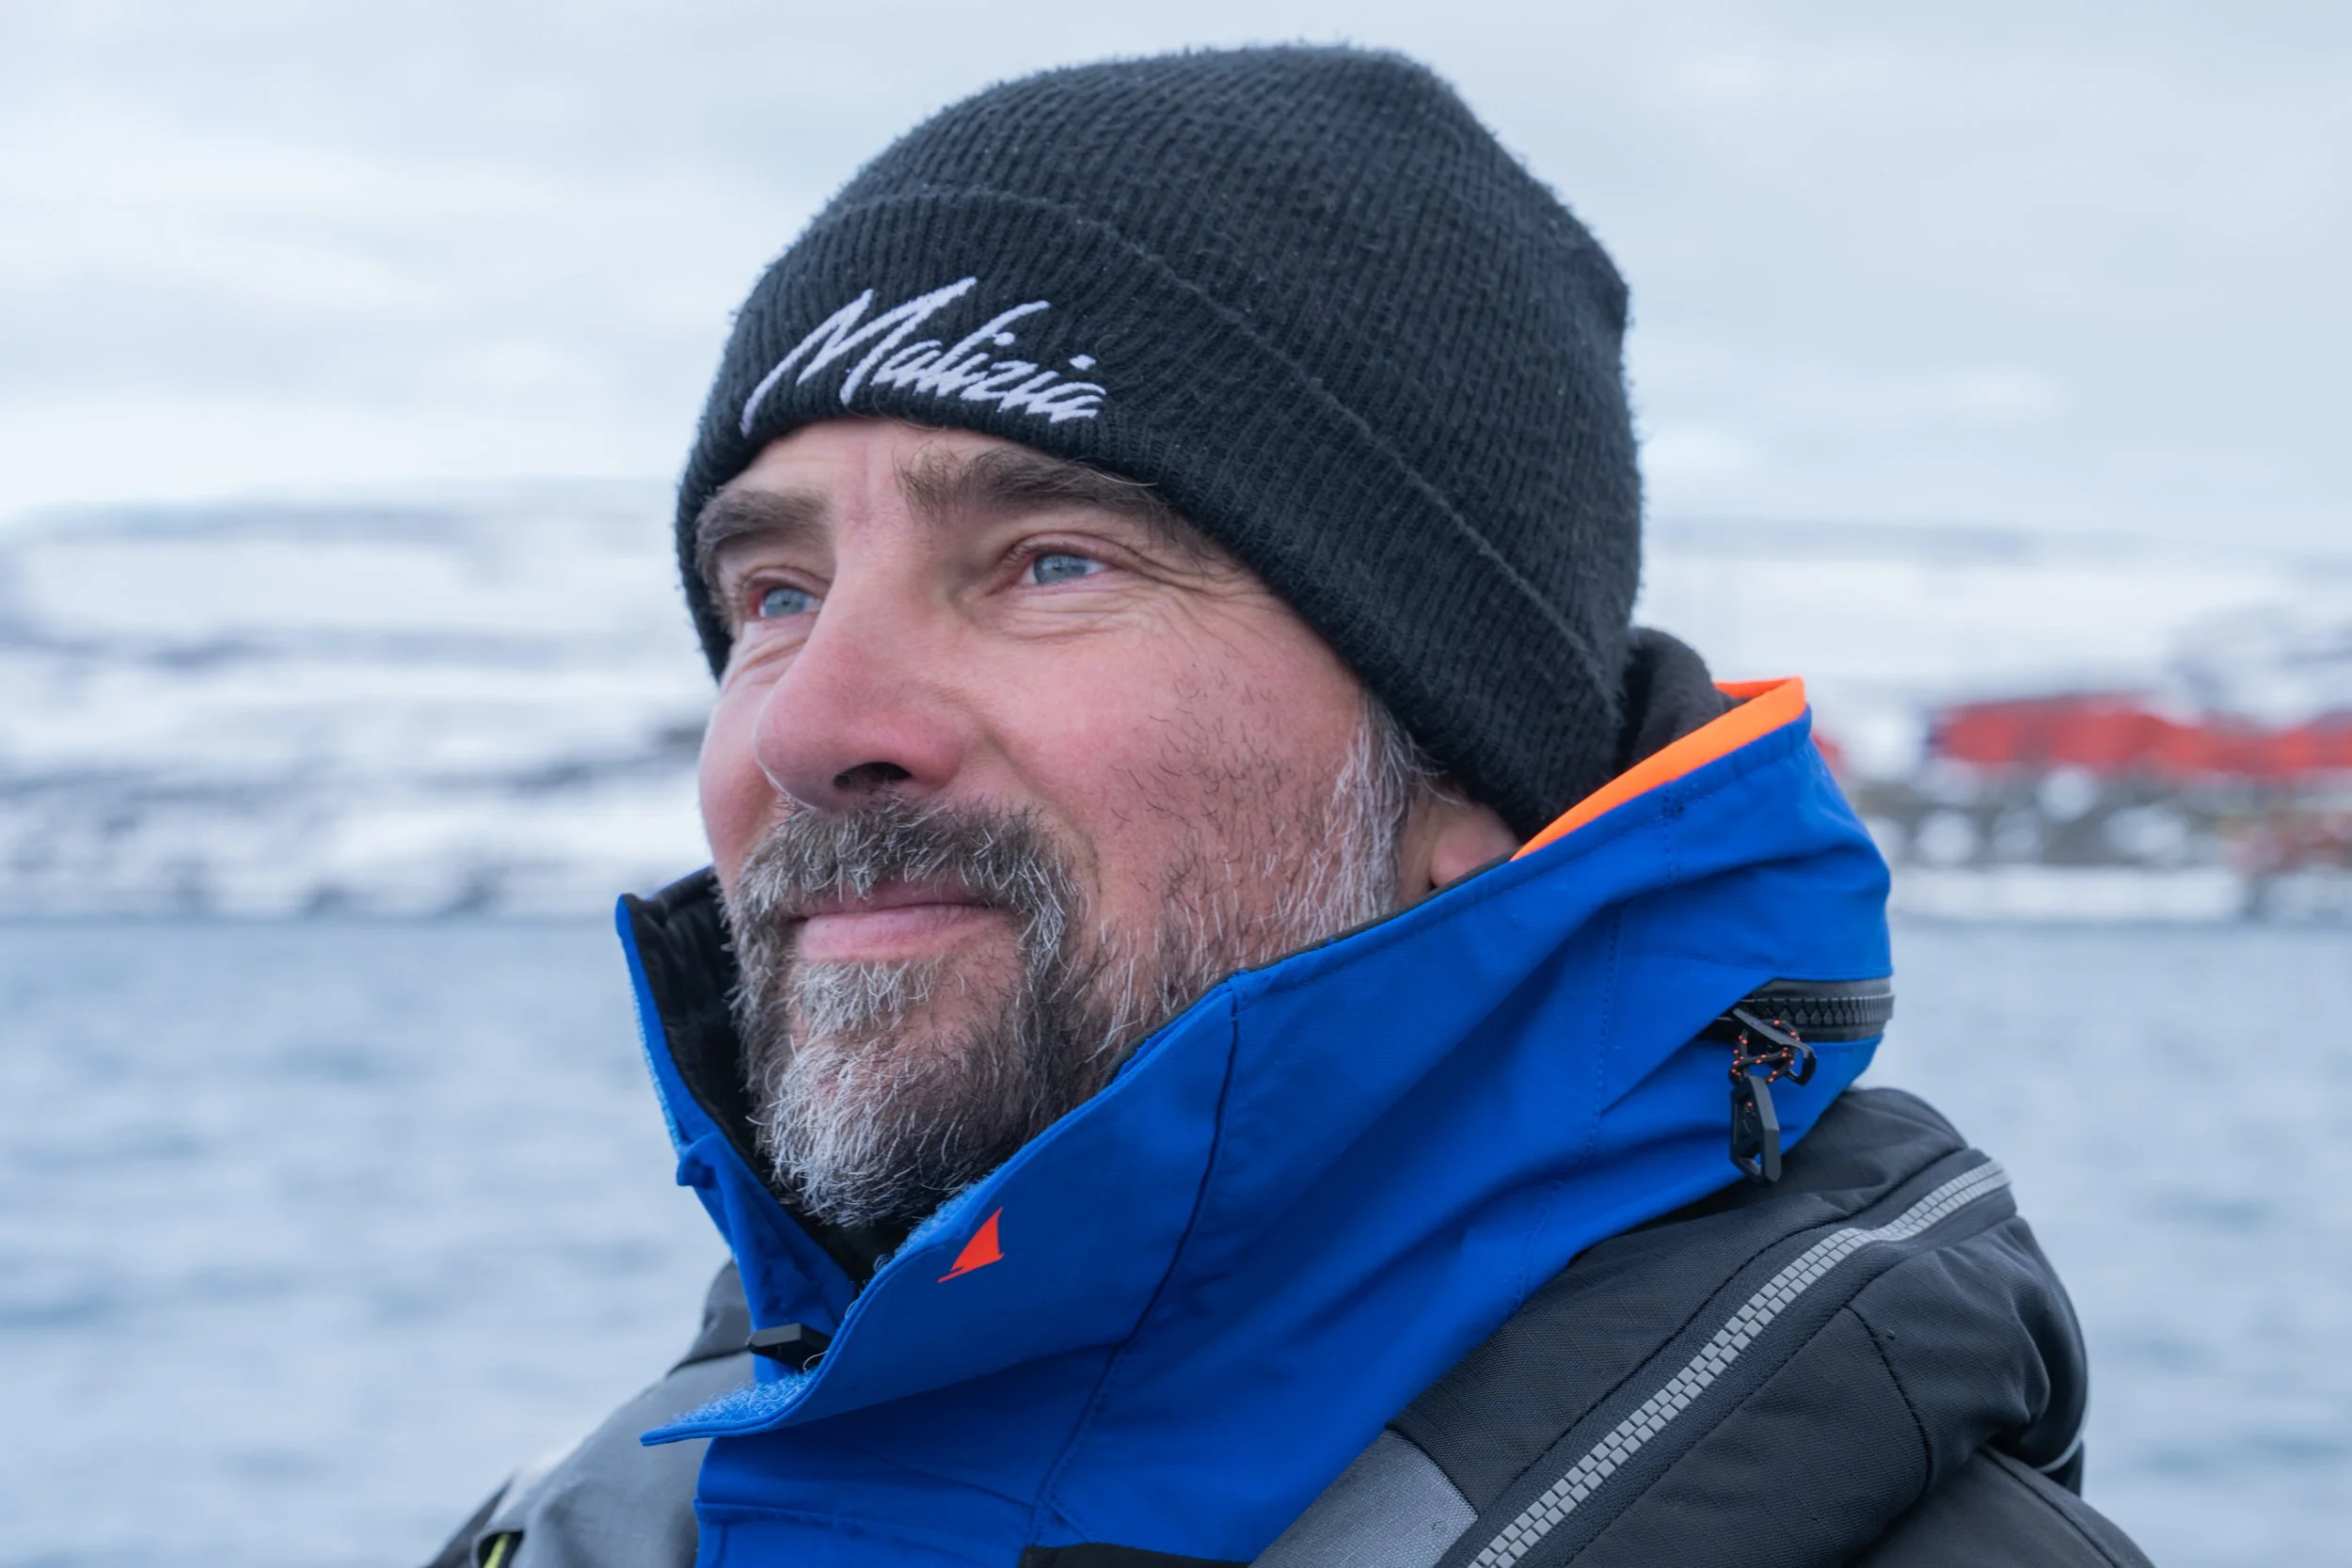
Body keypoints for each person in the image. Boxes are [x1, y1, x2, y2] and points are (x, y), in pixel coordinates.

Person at [429, 46, 2150, 1568]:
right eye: (775, 593)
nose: (810, 724)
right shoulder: (607, 1515)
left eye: (1049, 561)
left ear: (1457, 764)